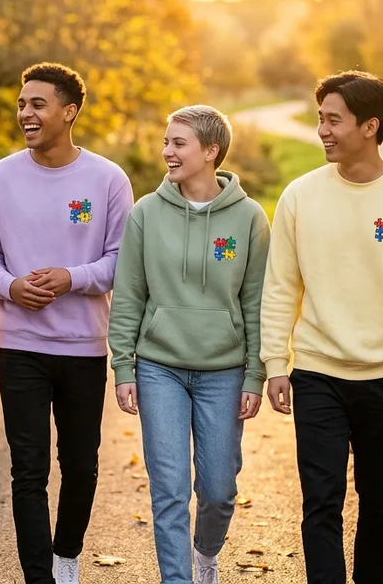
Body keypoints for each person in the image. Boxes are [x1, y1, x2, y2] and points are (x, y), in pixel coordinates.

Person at [261, 71, 383, 584]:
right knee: (320, 502)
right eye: (320, 117)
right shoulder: (299, 197)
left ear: (370, 126)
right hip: (317, 372)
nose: (322, 129)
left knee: (380, 499)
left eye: (333, 120)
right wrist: (277, 363)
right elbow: (280, 287)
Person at [0, 63, 133, 584]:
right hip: (19, 344)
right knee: (28, 469)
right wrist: (10, 287)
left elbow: (119, 261)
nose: (25, 113)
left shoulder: (108, 179)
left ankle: (67, 555)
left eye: (37, 104)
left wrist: (72, 277)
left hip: (84, 346)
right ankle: (39, 576)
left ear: (69, 112)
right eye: (22, 104)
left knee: (81, 465)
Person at [108, 105, 269, 584]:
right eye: (166, 141)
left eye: (179, 143)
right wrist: (124, 367)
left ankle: (206, 553)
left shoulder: (249, 217)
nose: (167, 152)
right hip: (160, 367)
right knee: (170, 489)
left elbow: (259, 301)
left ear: (210, 151)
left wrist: (256, 373)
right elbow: (129, 294)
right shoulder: (145, 213)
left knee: (219, 490)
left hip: (225, 370)